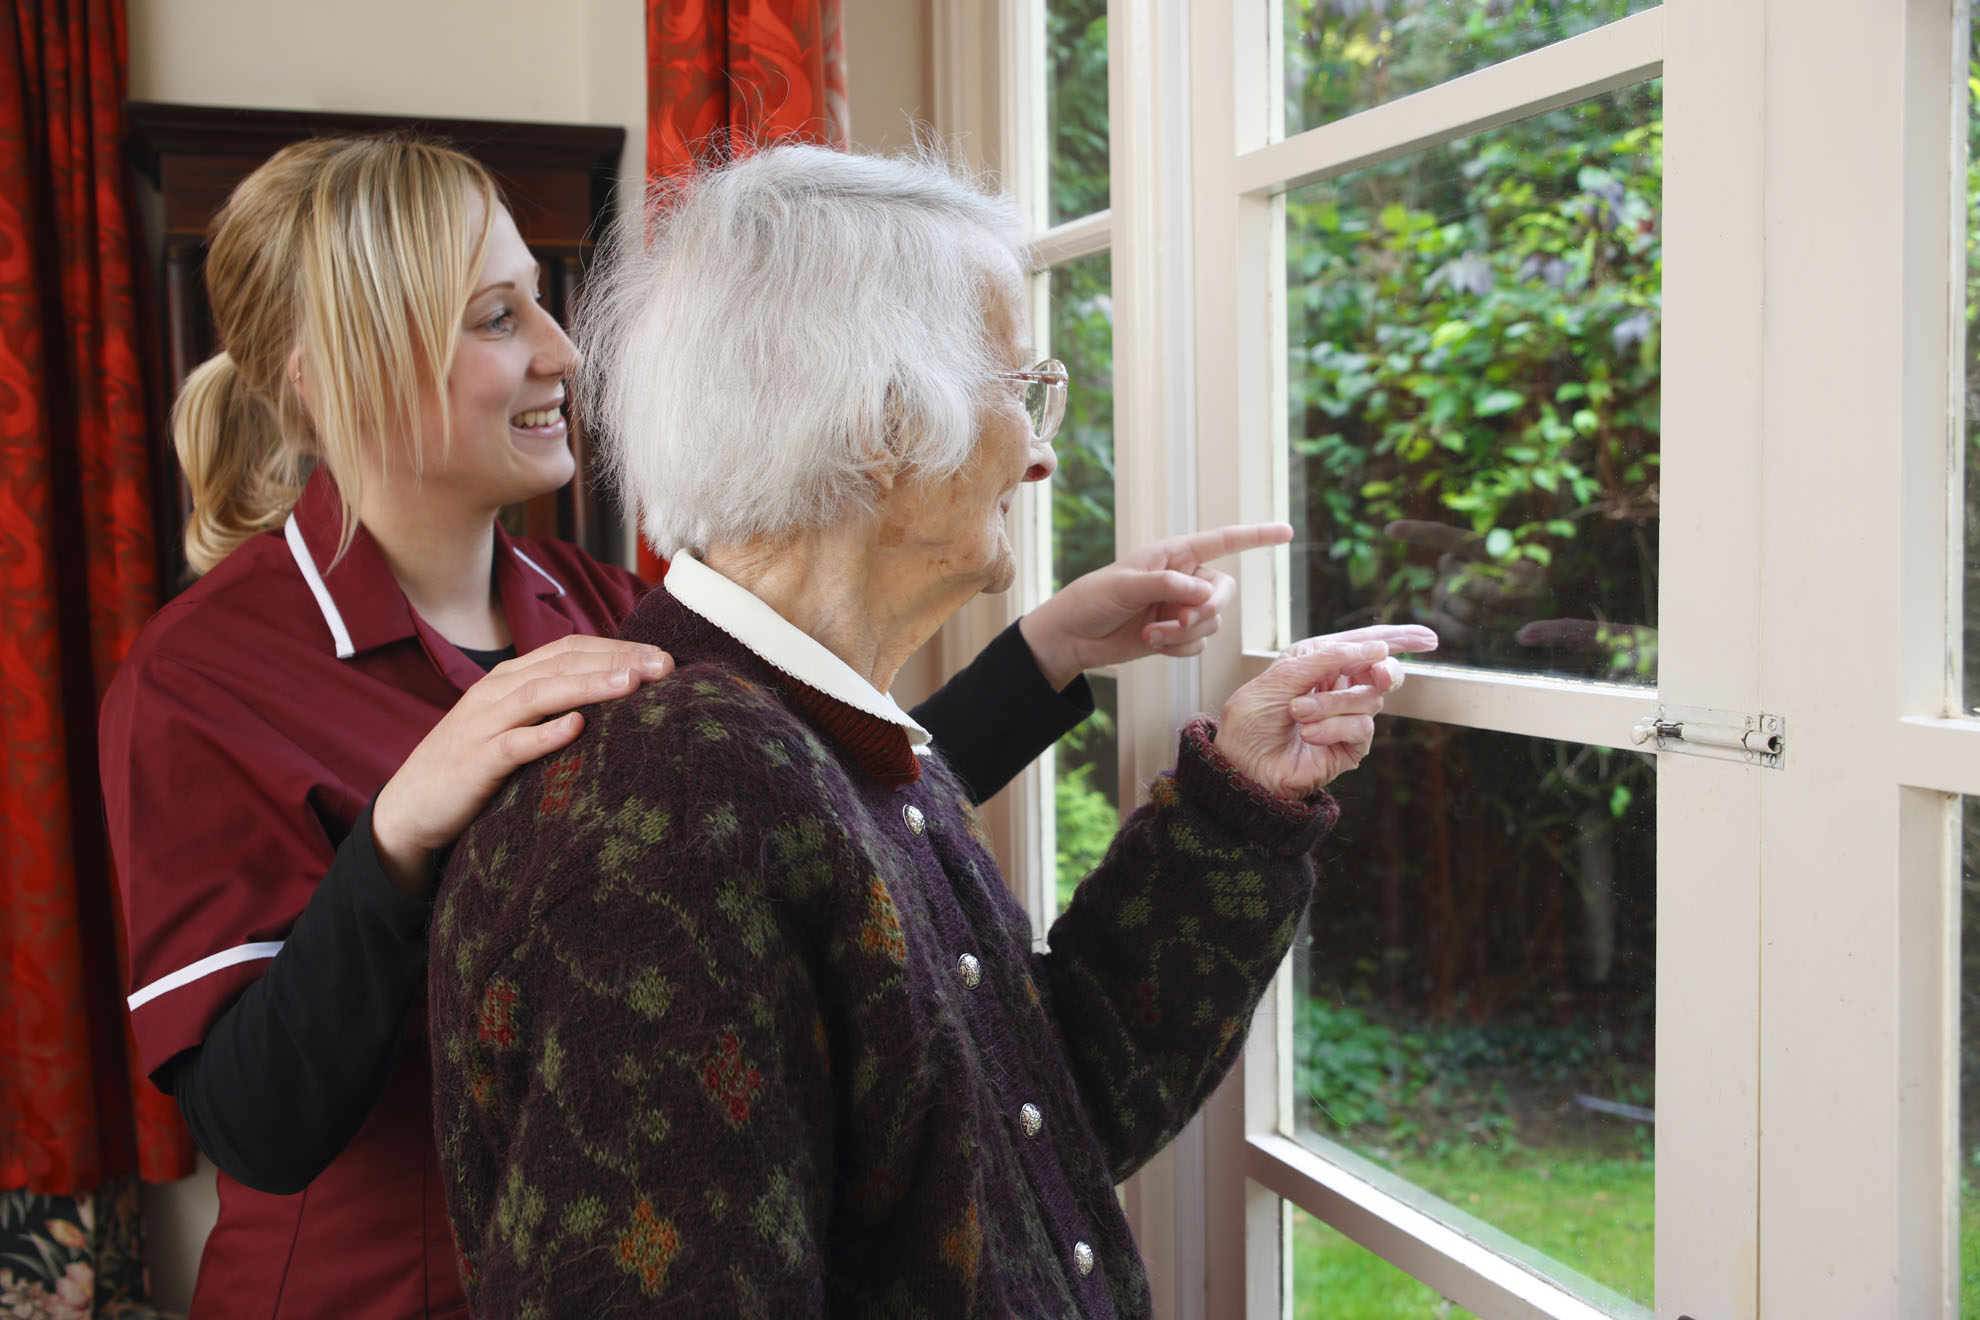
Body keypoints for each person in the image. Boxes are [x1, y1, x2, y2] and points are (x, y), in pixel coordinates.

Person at [97, 136, 1287, 1319]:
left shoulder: (597, 605)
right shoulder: (204, 678)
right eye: (497, 317)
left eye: (543, 306)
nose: (563, 351)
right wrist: (397, 839)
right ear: (332, 373)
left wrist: (1050, 651)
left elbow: (802, 835)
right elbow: (253, 1122)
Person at [429, 144, 1436, 1318]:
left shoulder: (810, 738)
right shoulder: (678, 802)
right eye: (1023, 391)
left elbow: (1012, 1134)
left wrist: (1244, 802)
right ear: (884, 426)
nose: (1044, 452)